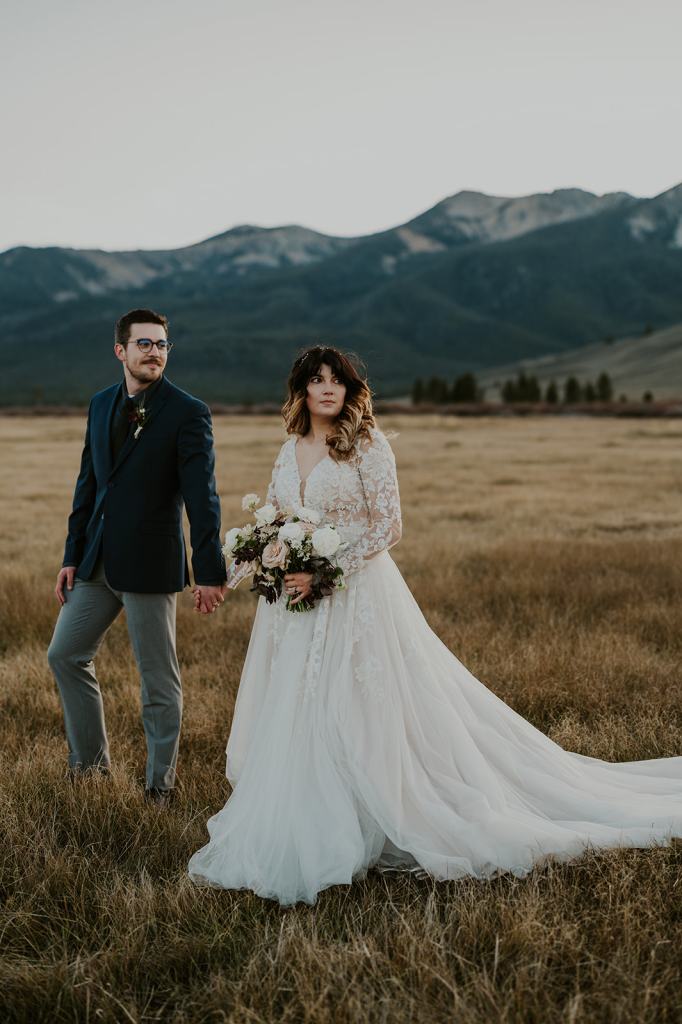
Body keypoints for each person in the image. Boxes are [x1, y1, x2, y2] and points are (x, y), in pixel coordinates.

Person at [188, 346, 682, 904]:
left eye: (337, 381)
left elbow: (389, 527)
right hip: (295, 611)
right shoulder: (288, 450)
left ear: (351, 390)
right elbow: (275, 523)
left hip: (356, 597)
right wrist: (226, 578)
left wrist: (325, 571)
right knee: (304, 708)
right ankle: (321, 817)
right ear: (300, 390)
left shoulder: (367, 445)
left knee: (364, 708)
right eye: (316, 380)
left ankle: (391, 809)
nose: (327, 389)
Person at [48, 308, 227, 806]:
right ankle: (90, 769)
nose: (155, 352)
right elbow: (89, 484)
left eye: (163, 344)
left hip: (150, 564)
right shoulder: (100, 404)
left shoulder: (188, 412)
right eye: (144, 343)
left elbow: (202, 498)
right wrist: (72, 554)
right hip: (97, 561)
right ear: (120, 350)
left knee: (156, 680)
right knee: (64, 654)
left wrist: (209, 571)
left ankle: (159, 786)